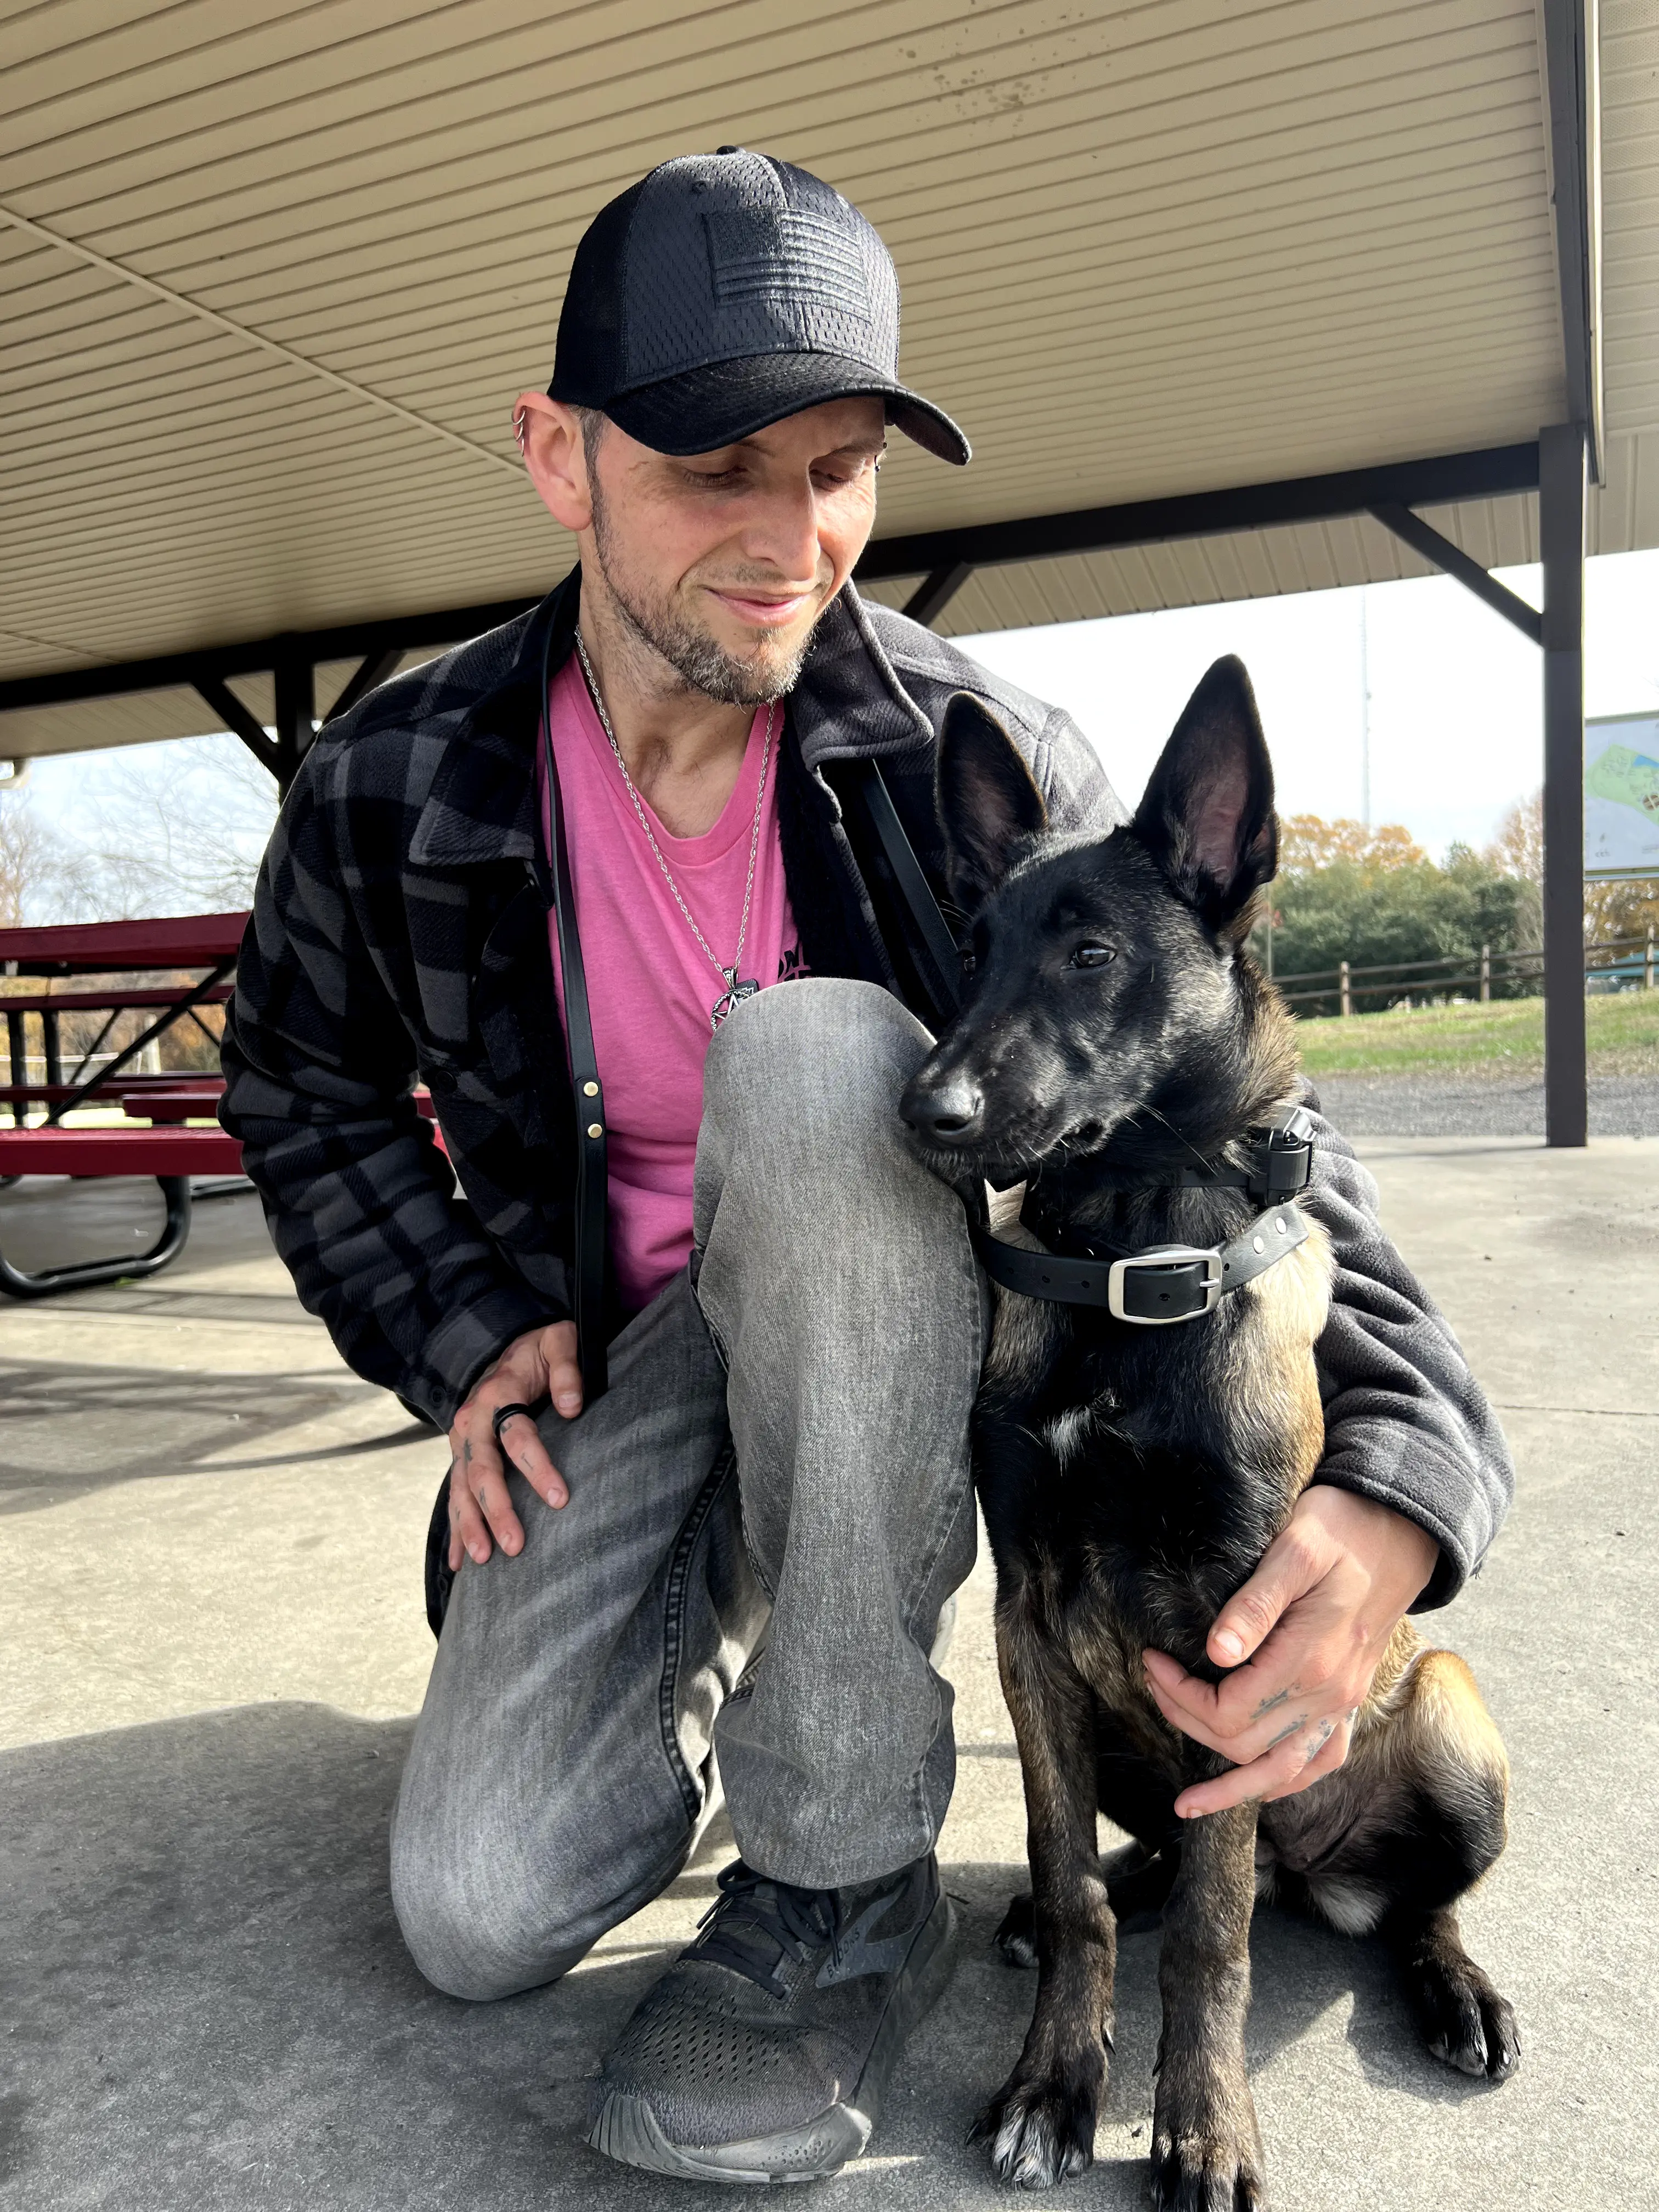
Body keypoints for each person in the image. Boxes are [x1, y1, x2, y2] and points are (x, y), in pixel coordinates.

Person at [221, 149, 1512, 2184]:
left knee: (829, 1064)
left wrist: (1399, 1494)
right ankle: (743, 1642)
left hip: (911, 1341)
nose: (788, 536)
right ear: (561, 458)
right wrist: (459, 1327)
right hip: (640, 1359)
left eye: (836, 469)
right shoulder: (395, 780)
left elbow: (1251, 1139)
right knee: (478, 1913)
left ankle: (841, 1876)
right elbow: (292, 1084)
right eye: (719, 465)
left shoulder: (971, 757)